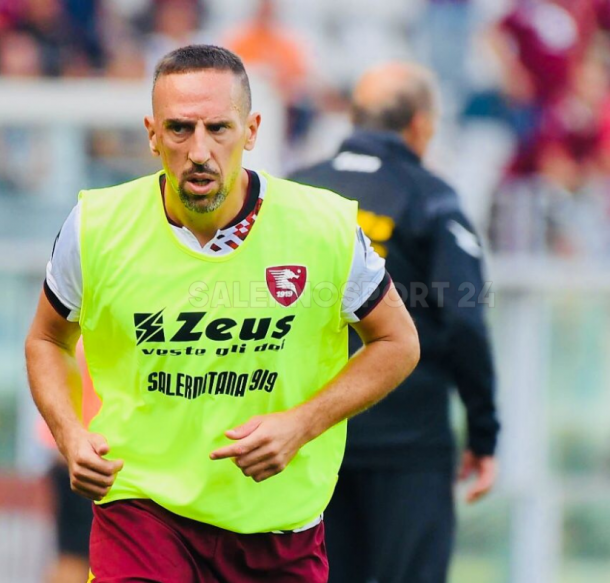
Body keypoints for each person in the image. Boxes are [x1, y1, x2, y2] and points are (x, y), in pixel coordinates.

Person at [24, 44, 420, 583]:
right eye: (181, 129)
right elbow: (47, 340)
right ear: (152, 133)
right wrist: (69, 433)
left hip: (279, 527)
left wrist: (301, 424)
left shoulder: (321, 227)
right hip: (141, 510)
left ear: (252, 130)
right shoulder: (97, 226)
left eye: (219, 128)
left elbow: (398, 342)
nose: (200, 149)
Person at [289, 62, 500, 583]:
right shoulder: (432, 198)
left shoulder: (292, 195)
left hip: (305, 440)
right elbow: (465, 321)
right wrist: (483, 433)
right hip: (409, 442)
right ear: (421, 125)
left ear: (354, 119)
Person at [38, 340, 100, 583]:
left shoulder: (74, 335)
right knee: (76, 555)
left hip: (70, 451)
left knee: (72, 554)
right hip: (83, 454)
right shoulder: (90, 336)